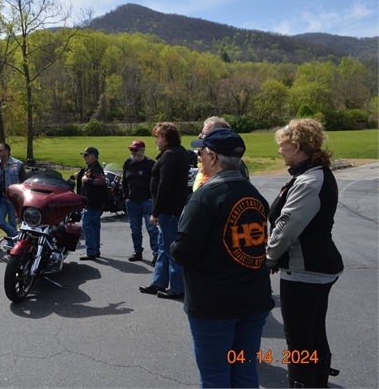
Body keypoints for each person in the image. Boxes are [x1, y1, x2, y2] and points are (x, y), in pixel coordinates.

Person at [171, 127, 274, 388]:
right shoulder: (254, 195)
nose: (199, 158)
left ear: (213, 157)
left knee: (216, 376)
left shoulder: (205, 197)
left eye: (201, 152)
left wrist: (173, 245)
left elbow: (183, 252)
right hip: (253, 299)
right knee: (245, 372)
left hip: (215, 303)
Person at [267, 119, 343, 388]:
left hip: (307, 269)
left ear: (297, 147)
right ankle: (317, 381)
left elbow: (286, 228)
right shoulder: (313, 174)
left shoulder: (309, 180)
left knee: (299, 339)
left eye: (283, 147)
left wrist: (269, 257)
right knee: (313, 332)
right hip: (316, 266)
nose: (279, 152)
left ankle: (303, 382)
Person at [139, 122, 189, 299]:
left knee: (170, 248)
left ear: (166, 137)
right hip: (172, 208)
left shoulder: (170, 155)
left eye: (157, 137)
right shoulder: (179, 152)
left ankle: (177, 287)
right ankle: (159, 282)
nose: (155, 141)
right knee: (163, 246)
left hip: (169, 209)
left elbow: (164, 185)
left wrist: (156, 211)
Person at [122, 140, 159, 264]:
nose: (133, 152)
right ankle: (137, 251)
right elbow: (124, 181)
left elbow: (157, 182)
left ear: (142, 150)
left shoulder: (150, 164)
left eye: (135, 150)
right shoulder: (128, 163)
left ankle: (156, 252)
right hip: (132, 201)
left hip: (147, 201)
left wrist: (152, 197)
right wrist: (125, 196)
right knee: (135, 229)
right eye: (131, 149)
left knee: (152, 228)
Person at [193, 116, 249, 190]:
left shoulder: (220, 165)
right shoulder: (235, 161)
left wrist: (200, 171)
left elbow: (200, 191)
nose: (199, 137)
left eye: (205, 134)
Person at [74, 146, 108, 260]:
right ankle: (95, 250)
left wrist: (87, 180)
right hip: (95, 202)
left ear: (93, 156)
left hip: (93, 203)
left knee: (87, 226)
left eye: (86, 155)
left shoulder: (96, 167)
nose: (84, 157)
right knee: (94, 226)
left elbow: (101, 180)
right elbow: (86, 175)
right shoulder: (90, 167)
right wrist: (78, 177)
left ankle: (90, 251)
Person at [0, 143, 26, 239]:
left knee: (12, 222)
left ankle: (11, 245)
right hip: (1, 199)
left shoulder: (18, 164)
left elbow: (24, 183)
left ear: (7, 151)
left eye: (0, 151)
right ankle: (17, 236)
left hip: (14, 199)